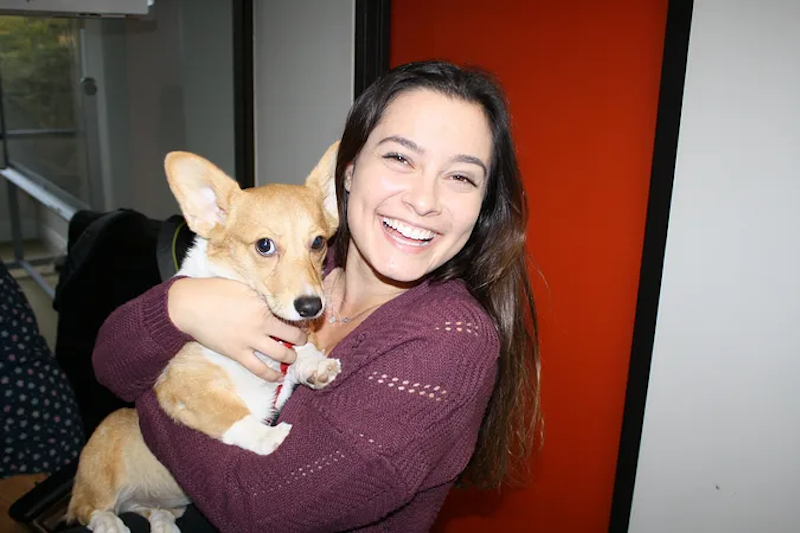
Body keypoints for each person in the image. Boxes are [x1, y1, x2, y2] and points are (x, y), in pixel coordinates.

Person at [79, 60, 541, 532]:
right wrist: (180, 305)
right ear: (345, 175)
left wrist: (164, 389)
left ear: (483, 203)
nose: (424, 200)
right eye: (400, 158)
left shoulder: (448, 342)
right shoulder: (299, 265)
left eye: (461, 176)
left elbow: (257, 511)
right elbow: (109, 368)